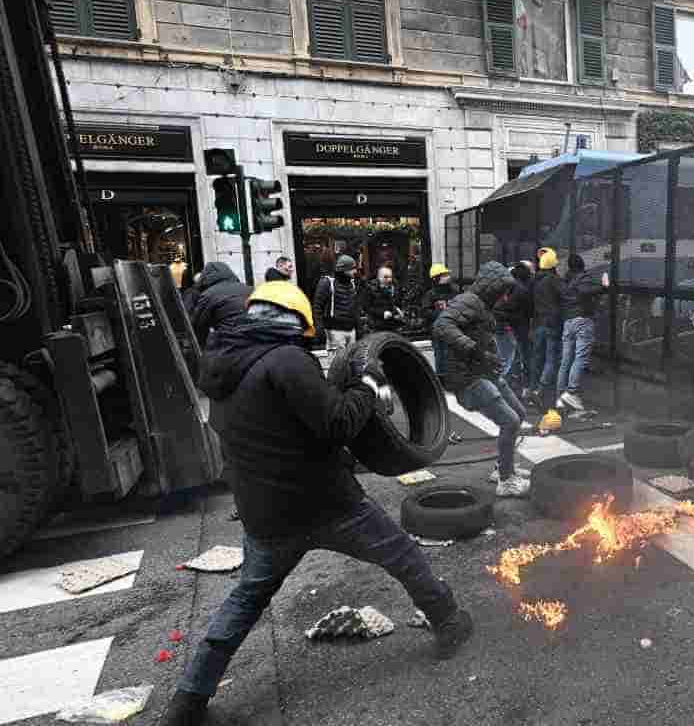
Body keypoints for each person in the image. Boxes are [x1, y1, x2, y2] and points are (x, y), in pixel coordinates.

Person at [161, 282, 471, 726]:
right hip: (327, 503)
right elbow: (337, 422)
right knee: (402, 555)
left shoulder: (221, 367)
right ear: (296, 323)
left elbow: (283, 421)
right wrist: (366, 386)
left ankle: (187, 701)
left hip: (265, 516)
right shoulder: (286, 359)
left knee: (245, 601)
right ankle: (449, 623)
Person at [433, 261, 531, 498]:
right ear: (492, 288)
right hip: (468, 378)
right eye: (503, 293)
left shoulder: (482, 305)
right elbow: (441, 325)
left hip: (485, 372)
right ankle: (506, 481)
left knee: (519, 414)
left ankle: (502, 467)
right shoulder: (468, 301)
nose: (505, 299)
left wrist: (490, 357)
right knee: (510, 422)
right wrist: (476, 351)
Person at [557, 254, 609, 412]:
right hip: (582, 320)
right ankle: (571, 392)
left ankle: (560, 395)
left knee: (566, 359)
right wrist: (604, 286)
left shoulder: (565, 280)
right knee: (580, 357)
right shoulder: (582, 279)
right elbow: (585, 291)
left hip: (568, 321)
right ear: (582, 265)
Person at [530, 248, 564, 412]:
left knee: (537, 357)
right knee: (552, 359)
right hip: (552, 323)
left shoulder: (535, 280)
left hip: (537, 323)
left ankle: (533, 387)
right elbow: (566, 295)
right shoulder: (553, 280)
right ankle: (540, 390)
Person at [493, 261, 533, 395]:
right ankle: (510, 386)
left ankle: (509, 385)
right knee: (515, 358)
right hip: (516, 328)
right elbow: (527, 311)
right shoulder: (521, 290)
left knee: (509, 358)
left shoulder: (509, 289)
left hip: (508, 327)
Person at [191, 262, 252, 348]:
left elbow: (198, 325)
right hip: (256, 338)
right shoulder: (249, 288)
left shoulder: (209, 294)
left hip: (230, 342)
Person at [312, 254, 359, 351]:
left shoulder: (352, 283)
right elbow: (317, 307)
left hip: (351, 330)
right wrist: (319, 327)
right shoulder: (327, 282)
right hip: (334, 331)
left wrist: (359, 327)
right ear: (344, 269)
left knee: (350, 361)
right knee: (336, 362)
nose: (355, 271)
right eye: (352, 268)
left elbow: (355, 307)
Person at [421, 263, 458, 374]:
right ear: (437, 278)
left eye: (447, 274)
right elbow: (425, 312)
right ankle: (442, 381)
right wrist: (440, 314)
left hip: (452, 330)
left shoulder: (454, 292)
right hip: (438, 331)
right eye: (444, 275)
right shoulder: (430, 295)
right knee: (440, 356)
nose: (448, 276)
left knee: (452, 357)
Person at [361, 264, 402, 333]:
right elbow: (367, 307)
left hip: (393, 326)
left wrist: (397, 311)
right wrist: (382, 313)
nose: (389, 280)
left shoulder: (395, 287)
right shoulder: (370, 288)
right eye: (385, 277)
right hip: (376, 326)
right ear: (379, 278)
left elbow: (396, 304)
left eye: (390, 277)